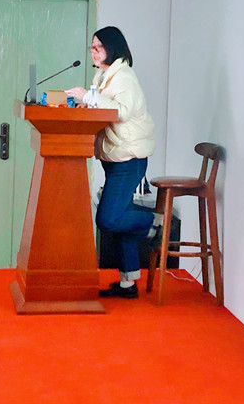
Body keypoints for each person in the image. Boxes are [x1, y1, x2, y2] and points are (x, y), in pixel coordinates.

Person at [65, 26, 159, 299]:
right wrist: (83, 105)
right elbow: (102, 108)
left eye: (99, 47)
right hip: (116, 157)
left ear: (113, 47)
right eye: (92, 47)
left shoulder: (124, 76)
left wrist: (88, 97)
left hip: (129, 158)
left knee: (109, 218)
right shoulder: (104, 75)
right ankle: (128, 284)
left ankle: (154, 223)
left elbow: (121, 111)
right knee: (119, 219)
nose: (94, 52)